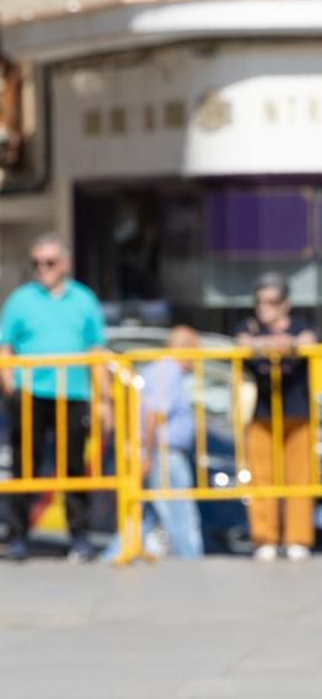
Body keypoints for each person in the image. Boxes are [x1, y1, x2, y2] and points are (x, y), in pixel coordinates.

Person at [1, 232, 107, 563]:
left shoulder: (84, 299)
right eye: (36, 263)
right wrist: (9, 384)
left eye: (49, 262)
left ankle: (79, 538)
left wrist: (104, 399)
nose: (42, 269)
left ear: (65, 264)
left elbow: (96, 349)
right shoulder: (21, 299)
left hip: (73, 393)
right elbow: (5, 345)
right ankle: (18, 537)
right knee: (25, 466)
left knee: (74, 467)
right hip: (31, 393)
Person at [236, 275, 318, 561]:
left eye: (271, 302)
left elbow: (309, 339)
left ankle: (297, 538)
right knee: (261, 478)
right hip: (261, 413)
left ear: (286, 304)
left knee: (299, 478)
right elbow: (242, 342)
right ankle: (265, 538)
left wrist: (289, 342)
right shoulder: (249, 327)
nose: (264, 308)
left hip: (296, 409)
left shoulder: (300, 325)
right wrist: (270, 343)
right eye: (260, 302)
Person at [124, 326, 205, 560]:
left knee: (146, 515)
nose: (198, 357)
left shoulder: (161, 370)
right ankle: (193, 563)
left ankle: (115, 555)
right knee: (180, 516)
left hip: (159, 453)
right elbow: (153, 415)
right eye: (196, 350)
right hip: (164, 454)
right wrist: (148, 454)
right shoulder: (168, 371)